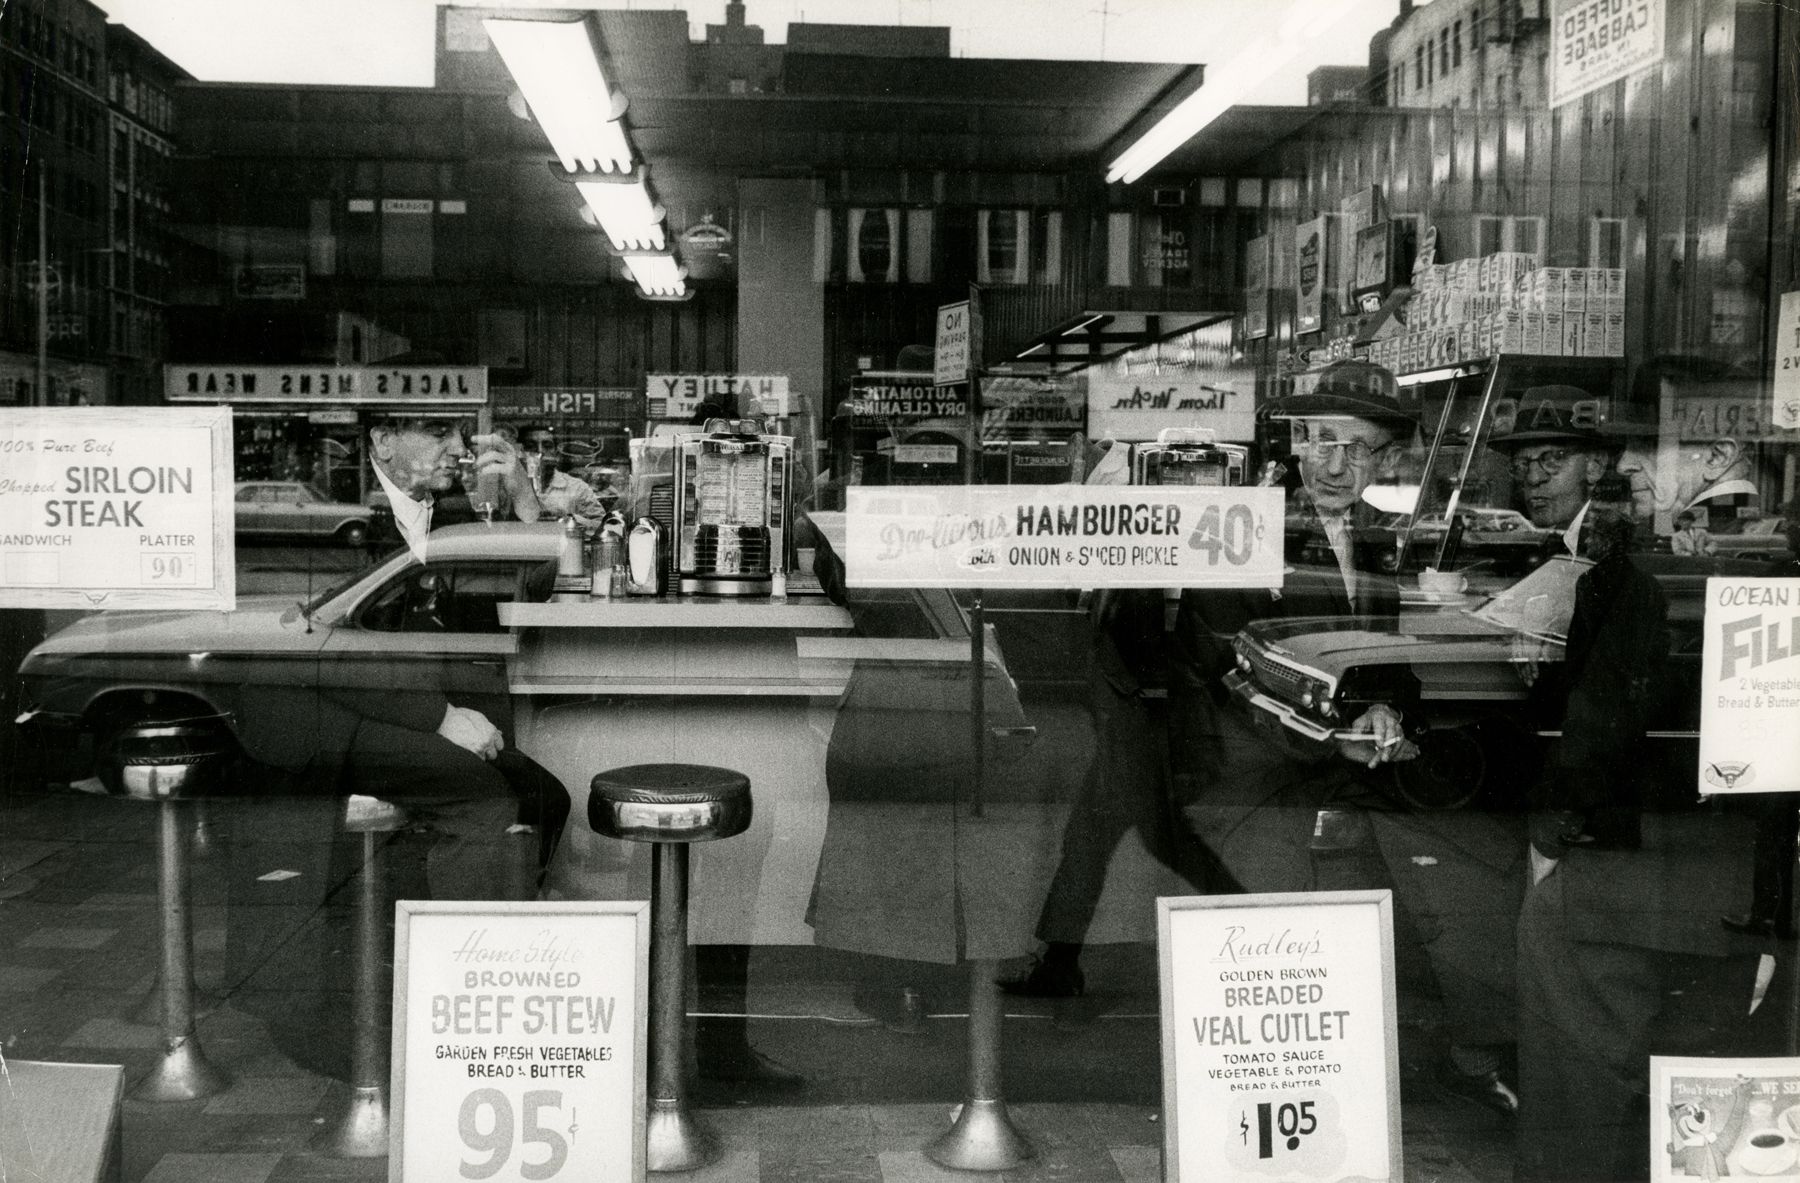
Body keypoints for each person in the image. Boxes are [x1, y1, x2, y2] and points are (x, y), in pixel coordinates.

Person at [1171, 360, 1522, 1116]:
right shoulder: (1240, 529)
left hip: (1355, 773)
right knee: (1270, 962)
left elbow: (1382, 649)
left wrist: (1388, 709)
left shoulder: (1384, 539)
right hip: (1267, 775)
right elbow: (1231, 663)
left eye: (1355, 448)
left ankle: (1434, 1059)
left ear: (1384, 459)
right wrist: (1338, 729)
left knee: (1448, 894)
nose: (1333, 464)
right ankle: (1278, 1099)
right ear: (1297, 439)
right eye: (1320, 440)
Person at [1512, 485, 1758, 1181]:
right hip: (1746, 879)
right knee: (1720, 1118)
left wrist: (1549, 838)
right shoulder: (1770, 578)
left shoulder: (1622, 584)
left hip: (1617, 873)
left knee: (1577, 1110)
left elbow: (1594, 726)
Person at [1490, 384, 1617, 548]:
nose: (1533, 478)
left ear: (1595, 465)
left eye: (1553, 459)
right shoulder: (1554, 538)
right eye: (1522, 463)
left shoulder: (1612, 540)